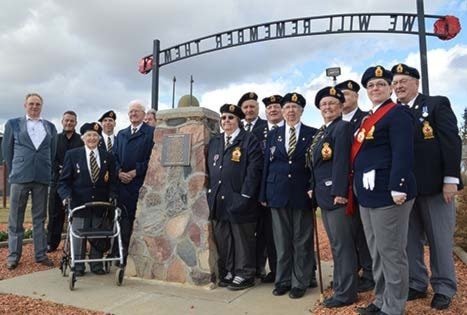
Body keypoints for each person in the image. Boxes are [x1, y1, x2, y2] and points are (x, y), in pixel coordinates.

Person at [391, 63, 461, 310]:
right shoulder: (392, 112)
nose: (398, 86)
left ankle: (443, 287)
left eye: (403, 81)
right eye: (395, 83)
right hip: (406, 190)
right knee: (410, 241)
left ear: (416, 83)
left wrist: (451, 179)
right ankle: (416, 283)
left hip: (435, 187)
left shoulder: (436, 104)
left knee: (440, 240)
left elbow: (451, 141)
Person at [353, 66, 417, 315]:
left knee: (391, 252)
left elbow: (403, 152)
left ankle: (394, 306)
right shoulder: (369, 118)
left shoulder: (397, 113)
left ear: (390, 87)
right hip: (368, 194)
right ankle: (381, 300)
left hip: (389, 193)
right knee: (377, 252)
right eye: (370, 86)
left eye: (380, 84)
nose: (375, 89)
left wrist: (397, 186)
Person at [260, 92, 317, 299]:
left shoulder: (313, 133)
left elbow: (315, 167)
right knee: (281, 242)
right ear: (282, 112)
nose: (291, 111)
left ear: (301, 111)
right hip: (277, 193)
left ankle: (299, 281)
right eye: (287, 108)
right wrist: (263, 193)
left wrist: (314, 188)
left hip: (302, 194)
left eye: (295, 107)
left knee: (301, 240)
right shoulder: (273, 135)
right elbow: (267, 164)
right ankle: (282, 280)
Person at [308, 86, 357, 308]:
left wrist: (340, 191)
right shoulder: (323, 131)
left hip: (336, 197)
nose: (327, 107)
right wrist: (313, 188)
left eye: (332, 103)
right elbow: (316, 165)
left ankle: (346, 293)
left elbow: (341, 162)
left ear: (340, 107)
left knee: (342, 245)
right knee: (337, 245)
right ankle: (340, 285)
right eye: (324, 104)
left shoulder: (342, 128)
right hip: (324, 196)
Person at [207, 104, 263, 290]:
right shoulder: (216, 141)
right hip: (219, 199)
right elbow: (211, 168)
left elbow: (254, 171)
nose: (226, 121)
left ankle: (245, 273)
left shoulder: (248, 140)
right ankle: (230, 271)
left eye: (230, 117)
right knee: (224, 239)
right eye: (223, 118)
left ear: (238, 120)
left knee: (242, 239)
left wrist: (245, 195)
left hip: (239, 198)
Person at [2, 93, 57, 270]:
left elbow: (52, 151)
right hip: (19, 176)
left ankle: (40, 254)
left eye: (38, 104)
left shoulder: (50, 126)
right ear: (25, 105)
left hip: (41, 176)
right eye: (31, 104)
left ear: (42, 106)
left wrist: (45, 167)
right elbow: (7, 151)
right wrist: (16, 168)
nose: (34, 107)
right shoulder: (13, 124)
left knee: (40, 218)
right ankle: (13, 256)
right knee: (15, 218)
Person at [57, 122, 118, 276]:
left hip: (100, 204)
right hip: (79, 203)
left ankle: (96, 264)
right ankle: (77, 265)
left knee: (97, 234)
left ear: (99, 138)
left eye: (95, 136)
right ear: (83, 138)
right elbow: (64, 181)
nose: (92, 138)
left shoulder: (107, 157)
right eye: (89, 135)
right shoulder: (72, 155)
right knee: (78, 235)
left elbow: (112, 182)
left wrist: (113, 195)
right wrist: (66, 196)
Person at [335, 79, 374, 293]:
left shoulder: (366, 119)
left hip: (363, 183)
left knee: (364, 231)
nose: (343, 99)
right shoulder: (335, 122)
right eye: (339, 96)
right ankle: (352, 272)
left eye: (347, 95)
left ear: (356, 97)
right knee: (347, 232)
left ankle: (369, 274)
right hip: (343, 186)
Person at [113, 100, 155, 265]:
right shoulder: (121, 134)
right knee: (123, 221)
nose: (133, 114)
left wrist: (136, 171)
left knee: (140, 221)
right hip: (123, 185)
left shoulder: (151, 133)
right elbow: (114, 157)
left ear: (144, 114)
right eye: (131, 111)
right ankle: (121, 254)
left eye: (137, 111)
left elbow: (153, 157)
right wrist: (119, 172)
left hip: (141, 183)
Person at [251, 95, 283, 283]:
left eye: (276, 107)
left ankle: (304, 271)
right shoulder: (258, 133)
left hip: (286, 190)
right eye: (269, 108)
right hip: (264, 191)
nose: (272, 110)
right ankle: (275, 270)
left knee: (294, 235)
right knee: (269, 234)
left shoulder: (291, 130)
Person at [47, 111, 83, 253]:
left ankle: (75, 245)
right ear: (62, 121)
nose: (69, 123)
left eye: (72, 121)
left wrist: (70, 170)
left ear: (76, 123)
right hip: (57, 180)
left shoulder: (80, 140)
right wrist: (62, 170)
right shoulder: (54, 139)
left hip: (76, 182)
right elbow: (50, 159)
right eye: (66, 120)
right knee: (55, 213)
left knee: (76, 214)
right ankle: (51, 243)